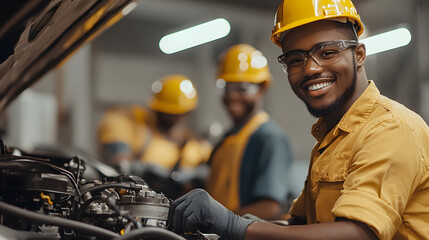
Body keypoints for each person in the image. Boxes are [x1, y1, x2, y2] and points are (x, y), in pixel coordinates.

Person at [167, 1, 429, 240]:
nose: (311, 68)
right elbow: (300, 225)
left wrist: (234, 225)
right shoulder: (331, 138)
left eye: (327, 53)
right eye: (295, 59)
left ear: (359, 54)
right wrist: (224, 226)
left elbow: (357, 234)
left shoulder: (390, 128)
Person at [205, 44, 293, 220]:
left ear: (261, 88)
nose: (232, 96)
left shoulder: (269, 138)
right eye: (226, 87)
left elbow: (270, 208)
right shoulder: (226, 139)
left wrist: (216, 221)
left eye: (242, 88)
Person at [97, 74, 212, 199]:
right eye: (167, 113)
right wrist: (141, 168)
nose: (173, 119)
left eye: (178, 114)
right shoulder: (135, 125)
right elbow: (118, 163)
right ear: (156, 109)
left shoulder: (195, 148)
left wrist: (197, 174)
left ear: (188, 113)